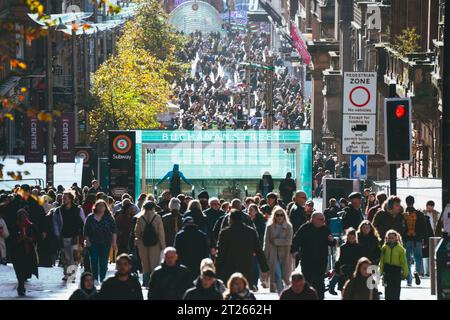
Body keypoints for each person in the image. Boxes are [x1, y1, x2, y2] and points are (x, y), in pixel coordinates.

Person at [216, 210, 269, 287]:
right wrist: (264, 267)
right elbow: (258, 250)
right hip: (246, 267)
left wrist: (217, 269)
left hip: (229, 267)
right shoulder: (251, 231)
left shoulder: (225, 232)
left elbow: (220, 252)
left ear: (230, 219)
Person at [291, 212, 334, 300]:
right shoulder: (305, 228)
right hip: (307, 260)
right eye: (320, 219)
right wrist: (294, 251)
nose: (323, 221)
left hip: (321, 261)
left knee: (320, 282)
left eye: (323, 219)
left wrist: (332, 241)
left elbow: (331, 243)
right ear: (313, 219)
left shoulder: (325, 229)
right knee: (307, 282)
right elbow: (296, 240)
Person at [83, 199, 118, 284]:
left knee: (104, 261)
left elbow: (114, 231)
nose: (101, 207)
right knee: (93, 260)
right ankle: (95, 278)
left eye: (103, 206)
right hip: (93, 242)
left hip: (105, 242)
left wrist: (114, 242)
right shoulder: (90, 217)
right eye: (99, 205)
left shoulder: (108, 218)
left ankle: (102, 278)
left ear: (105, 207)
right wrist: (87, 241)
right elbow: (86, 230)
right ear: (96, 207)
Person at [53, 190, 85, 281]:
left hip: (75, 236)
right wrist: (57, 234)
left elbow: (83, 221)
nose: (63, 199)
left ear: (71, 199)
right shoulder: (59, 210)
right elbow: (55, 223)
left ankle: (71, 274)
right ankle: (67, 274)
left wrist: (82, 233)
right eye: (63, 198)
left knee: (74, 256)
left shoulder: (78, 209)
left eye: (65, 198)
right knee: (65, 256)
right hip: (63, 235)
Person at [135, 201, 166, 287]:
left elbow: (137, 233)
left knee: (145, 264)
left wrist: (138, 243)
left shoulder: (140, 218)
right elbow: (161, 234)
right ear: (153, 208)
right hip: (155, 244)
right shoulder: (157, 217)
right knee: (154, 263)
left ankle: (145, 282)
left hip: (143, 244)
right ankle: (154, 283)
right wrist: (163, 247)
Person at [263, 206, 293, 294]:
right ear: (274, 216)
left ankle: (286, 293)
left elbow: (288, 241)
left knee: (285, 277)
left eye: (281, 215)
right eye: (277, 215)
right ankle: (281, 294)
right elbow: (266, 242)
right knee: (277, 275)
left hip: (284, 254)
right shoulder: (269, 227)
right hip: (272, 254)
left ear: (284, 216)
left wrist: (276, 241)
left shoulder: (288, 227)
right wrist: (264, 255)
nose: (279, 217)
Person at [9, 209, 39, 296]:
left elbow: (36, 237)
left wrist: (30, 239)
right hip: (17, 253)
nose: (23, 217)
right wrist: (19, 239)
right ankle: (21, 287)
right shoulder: (14, 226)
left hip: (28, 251)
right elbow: (11, 240)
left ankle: (22, 282)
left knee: (26, 270)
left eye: (24, 215)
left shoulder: (31, 226)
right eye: (21, 215)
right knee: (19, 270)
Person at [403, 195, 426, 287]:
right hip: (417, 239)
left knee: (407, 259)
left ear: (406, 202)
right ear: (413, 202)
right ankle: (416, 271)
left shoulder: (403, 214)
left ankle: (409, 279)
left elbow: (400, 227)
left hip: (406, 239)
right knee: (418, 258)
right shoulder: (419, 214)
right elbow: (424, 227)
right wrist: (422, 237)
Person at [379, 229, 409, 300]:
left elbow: (404, 262)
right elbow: (382, 260)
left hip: (396, 270)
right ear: (387, 238)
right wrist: (380, 271)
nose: (391, 239)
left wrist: (405, 273)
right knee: (388, 289)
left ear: (396, 238)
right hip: (387, 270)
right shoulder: (384, 248)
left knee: (396, 289)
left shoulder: (400, 249)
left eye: (392, 238)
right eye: (389, 238)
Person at [333, 228, 363, 292]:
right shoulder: (343, 247)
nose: (351, 239)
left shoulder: (359, 247)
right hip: (344, 272)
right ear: (347, 237)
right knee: (344, 292)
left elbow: (360, 261)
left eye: (353, 238)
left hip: (355, 272)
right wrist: (338, 270)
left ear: (355, 237)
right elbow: (339, 260)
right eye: (350, 238)